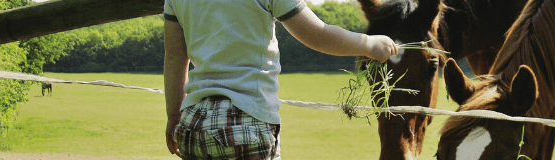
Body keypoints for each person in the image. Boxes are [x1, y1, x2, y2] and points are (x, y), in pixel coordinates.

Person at [162, 0, 399, 159]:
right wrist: (370, 45)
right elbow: (317, 34)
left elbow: (174, 56)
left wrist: (174, 115)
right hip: (246, 123)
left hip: (192, 124)